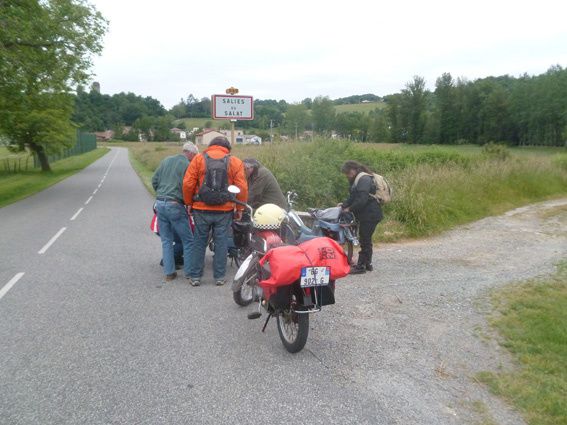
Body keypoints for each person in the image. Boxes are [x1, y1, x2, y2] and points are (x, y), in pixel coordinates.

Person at [183, 137, 248, 287]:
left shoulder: (199, 159)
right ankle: (219, 277)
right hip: (224, 210)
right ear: (227, 148)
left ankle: (195, 277)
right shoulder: (235, 161)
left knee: (199, 241)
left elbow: (188, 183)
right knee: (221, 242)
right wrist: (240, 208)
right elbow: (242, 187)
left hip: (201, 208)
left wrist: (188, 203)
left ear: (211, 146)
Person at [152, 142, 199, 281]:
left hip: (160, 203)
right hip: (175, 204)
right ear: (190, 153)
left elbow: (154, 180)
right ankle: (190, 273)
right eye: (195, 156)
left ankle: (169, 273)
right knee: (188, 240)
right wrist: (188, 202)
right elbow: (189, 186)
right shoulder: (188, 165)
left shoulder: (166, 160)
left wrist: (161, 193)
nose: (194, 159)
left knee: (166, 240)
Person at [339, 160, 383, 274]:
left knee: (364, 239)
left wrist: (349, 209)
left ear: (353, 170)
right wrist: (343, 205)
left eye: (348, 173)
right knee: (366, 239)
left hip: (370, 214)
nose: (347, 176)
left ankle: (361, 266)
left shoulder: (363, 179)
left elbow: (361, 200)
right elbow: (353, 197)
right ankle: (368, 264)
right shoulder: (358, 179)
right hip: (368, 214)